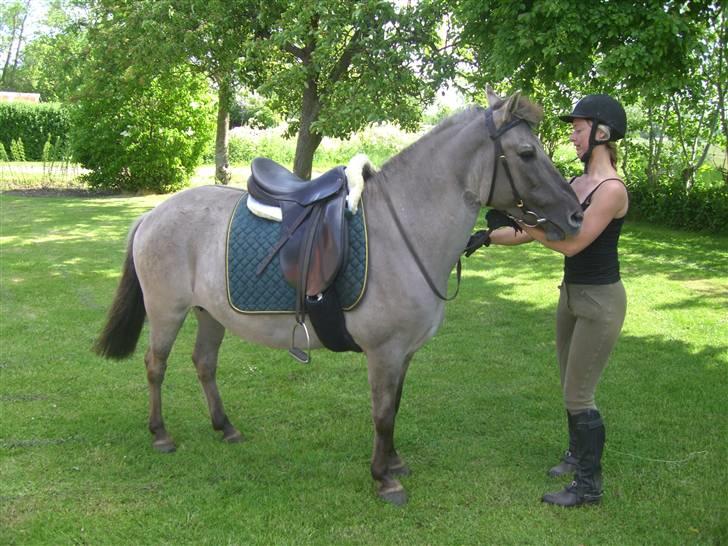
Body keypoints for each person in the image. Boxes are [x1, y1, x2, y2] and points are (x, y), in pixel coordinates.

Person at [471, 94, 629, 507]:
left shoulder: (611, 190)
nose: (573, 137)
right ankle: (576, 455)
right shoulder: (575, 184)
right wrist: (487, 237)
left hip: (600, 304)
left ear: (602, 133)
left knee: (580, 394)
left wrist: (524, 221)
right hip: (571, 297)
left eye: (579, 129)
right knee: (568, 386)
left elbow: (571, 244)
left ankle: (588, 486)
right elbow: (537, 229)